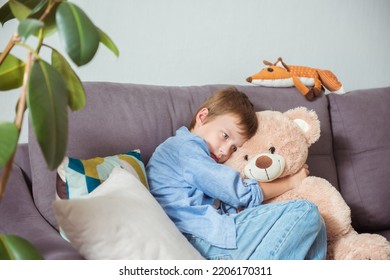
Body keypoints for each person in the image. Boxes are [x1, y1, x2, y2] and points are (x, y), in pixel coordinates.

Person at [146, 87, 327, 260]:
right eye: (224, 136)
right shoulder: (185, 148)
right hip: (198, 238)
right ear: (202, 117)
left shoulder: (193, 155)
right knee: (305, 211)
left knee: (317, 226)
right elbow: (238, 193)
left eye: (234, 147)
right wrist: (292, 182)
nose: (225, 151)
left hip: (212, 235)